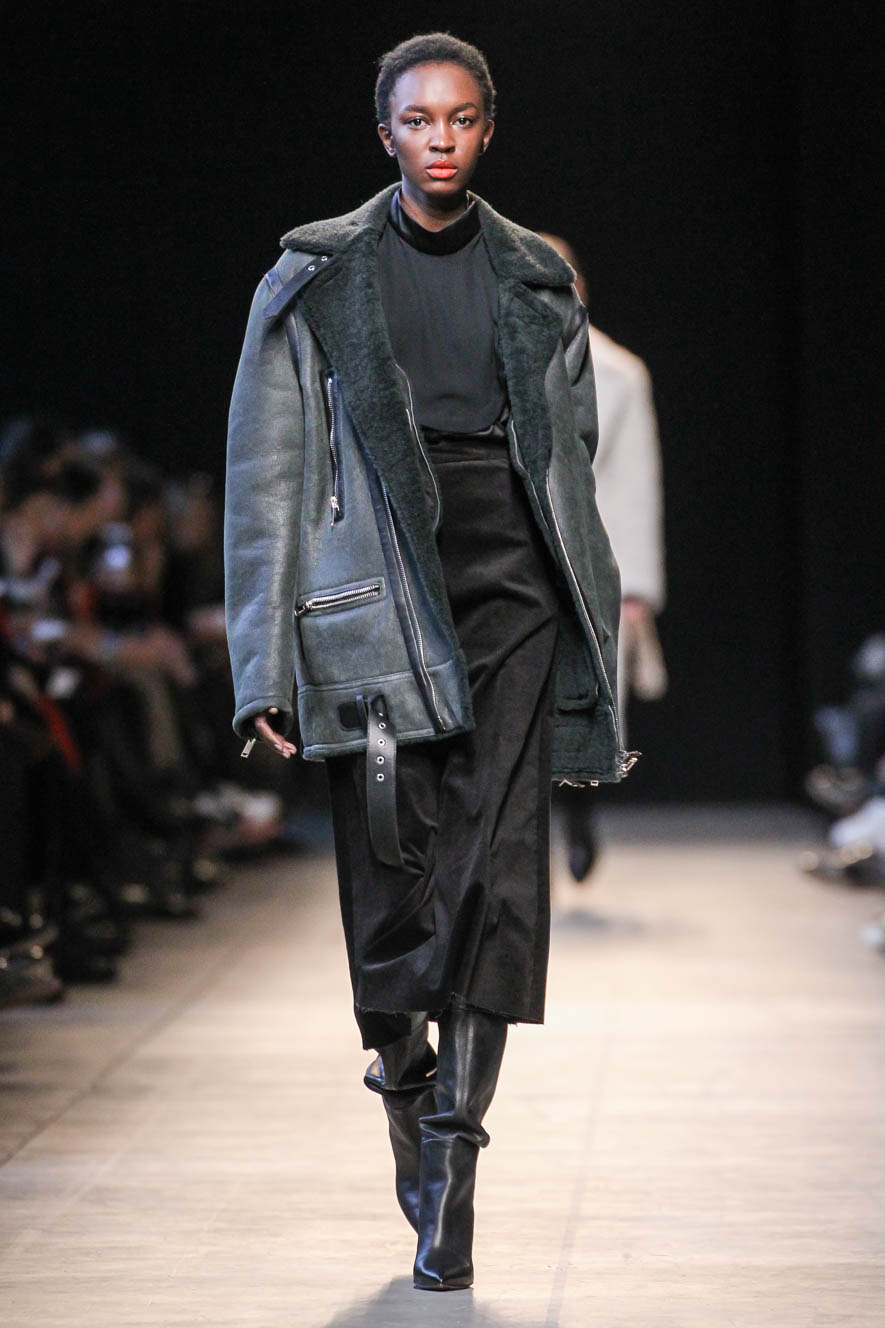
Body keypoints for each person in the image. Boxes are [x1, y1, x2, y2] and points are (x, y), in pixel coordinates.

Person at [224, 33, 635, 1292]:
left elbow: (570, 463)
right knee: (392, 876)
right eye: (417, 120)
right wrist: (262, 665)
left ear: (487, 130)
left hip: (511, 580)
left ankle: (455, 1157)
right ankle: (405, 1081)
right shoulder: (313, 277)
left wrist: (593, 617)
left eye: (459, 119)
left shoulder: (537, 279)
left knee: (496, 870)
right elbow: (265, 477)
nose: (439, 139)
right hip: (372, 588)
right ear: (385, 133)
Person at [538, 234, 667, 881]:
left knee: (583, 703)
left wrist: (637, 586)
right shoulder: (486, 360)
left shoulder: (620, 372)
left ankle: (579, 813)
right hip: (518, 553)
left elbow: (636, 480)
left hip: (594, 559)